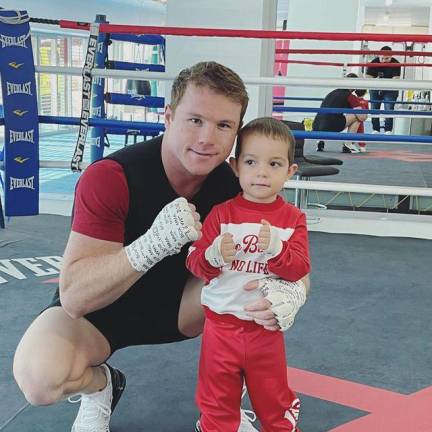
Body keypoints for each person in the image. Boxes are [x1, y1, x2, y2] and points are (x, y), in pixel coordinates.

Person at [12, 61, 310, 432]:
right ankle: (102, 385)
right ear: (168, 117)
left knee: (256, 287)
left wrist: (292, 291)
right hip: (101, 312)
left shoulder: (238, 184)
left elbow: (294, 255)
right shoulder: (111, 177)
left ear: (235, 134)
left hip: (182, 308)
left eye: (223, 126)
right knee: (39, 378)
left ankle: (225, 411)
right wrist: (150, 245)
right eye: (195, 120)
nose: (207, 138)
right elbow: (73, 297)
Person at [187, 118, 310, 432]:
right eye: (251, 162)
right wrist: (212, 256)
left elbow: (299, 269)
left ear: (290, 171)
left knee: (273, 400)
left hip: (264, 330)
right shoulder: (221, 214)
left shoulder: (293, 219)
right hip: (220, 326)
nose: (262, 172)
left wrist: (278, 249)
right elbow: (195, 263)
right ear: (235, 166)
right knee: (216, 401)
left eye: (274, 163)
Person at [313, 73, 368, 153]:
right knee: (357, 117)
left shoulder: (332, 93)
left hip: (316, 126)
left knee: (327, 116)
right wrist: (360, 103)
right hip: (331, 127)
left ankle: (320, 141)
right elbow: (362, 117)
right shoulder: (350, 96)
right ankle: (348, 144)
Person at [365, 46, 401, 134]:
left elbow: (396, 78)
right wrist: (377, 81)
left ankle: (388, 130)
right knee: (374, 109)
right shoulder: (374, 62)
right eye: (382, 58)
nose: (384, 60)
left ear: (391, 56)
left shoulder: (396, 63)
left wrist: (382, 82)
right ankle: (375, 129)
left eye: (387, 58)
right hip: (375, 88)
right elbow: (368, 77)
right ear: (379, 55)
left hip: (390, 89)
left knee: (389, 108)